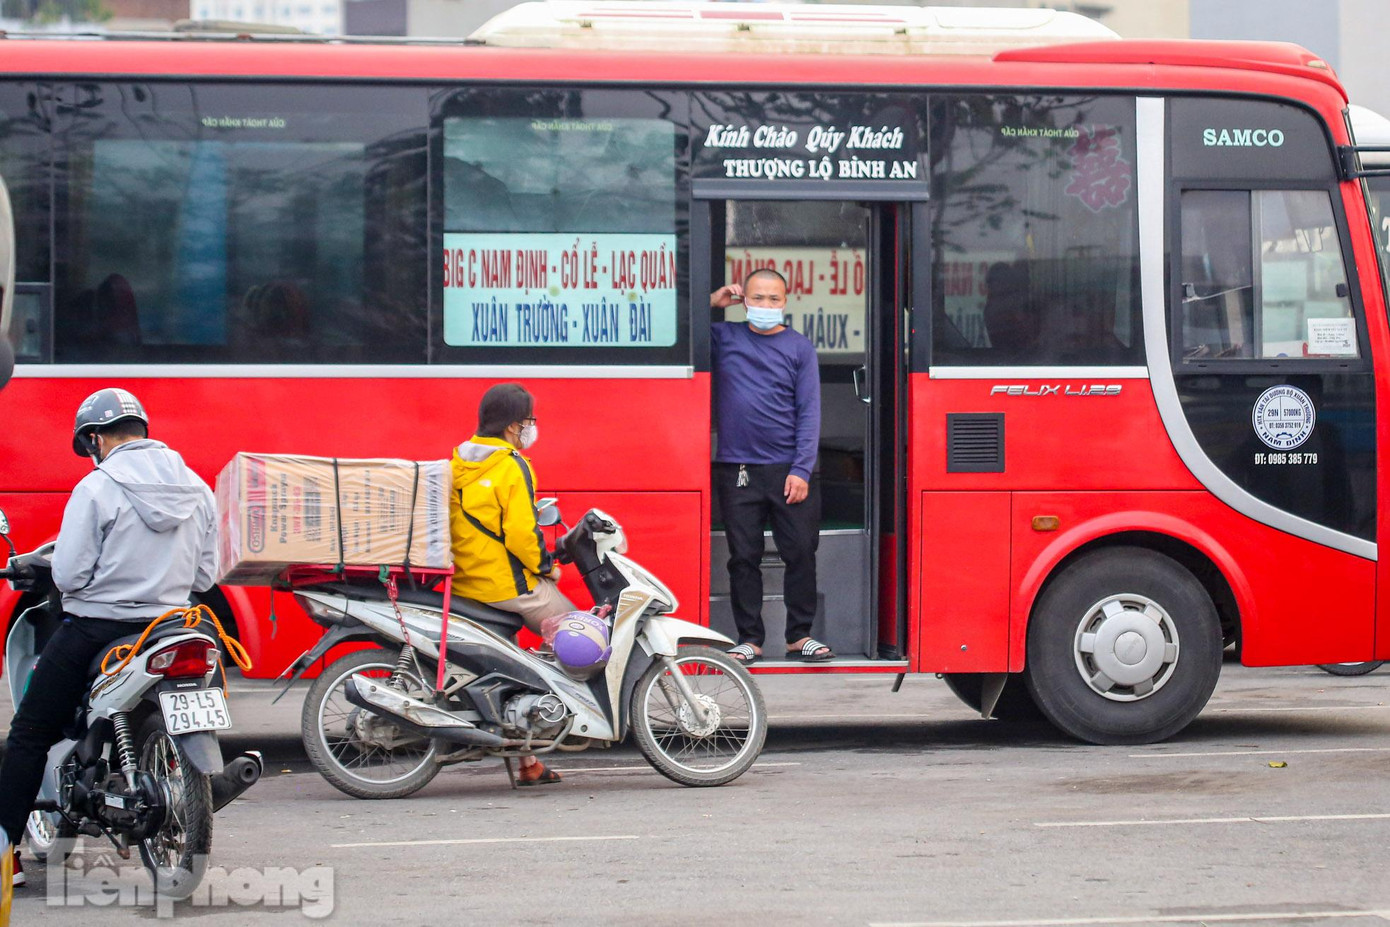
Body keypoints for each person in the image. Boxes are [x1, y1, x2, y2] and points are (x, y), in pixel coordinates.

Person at [0, 388, 218, 889]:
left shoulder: (97, 487)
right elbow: (205, 576)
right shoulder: (196, 486)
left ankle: (5, 851)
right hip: (170, 627)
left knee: (29, 733)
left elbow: (70, 575)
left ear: (95, 439)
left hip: (98, 628)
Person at [710, 269, 833, 664]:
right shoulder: (724, 336)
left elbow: (810, 412)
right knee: (743, 557)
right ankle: (749, 638)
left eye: (773, 299)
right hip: (738, 468)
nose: (765, 305)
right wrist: (713, 303)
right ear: (744, 299)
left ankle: (800, 635)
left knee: (801, 552)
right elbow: (678, 328)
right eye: (758, 297)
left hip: (789, 469)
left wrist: (801, 469)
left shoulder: (799, 347)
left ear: (785, 301)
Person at [450, 382, 570, 786]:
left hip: (467, 584)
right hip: (505, 586)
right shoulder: (511, 465)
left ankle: (528, 761)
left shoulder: (459, 460)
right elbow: (521, 534)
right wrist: (548, 567)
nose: (532, 428)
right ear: (513, 426)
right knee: (577, 631)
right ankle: (554, 712)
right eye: (529, 420)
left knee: (517, 666)